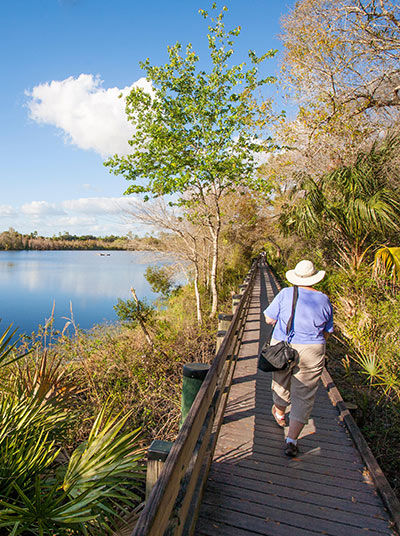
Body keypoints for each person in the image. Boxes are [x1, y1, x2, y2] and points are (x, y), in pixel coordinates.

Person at [263, 259, 333, 457]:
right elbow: (327, 330)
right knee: (304, 394)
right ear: (314, 278)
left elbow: (269, 318)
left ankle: (279, 412)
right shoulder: (323, 299)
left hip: (283, 347)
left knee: (280, 382)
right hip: (313, 349)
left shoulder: (286, 294)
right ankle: (292, 440)